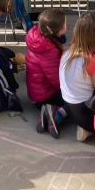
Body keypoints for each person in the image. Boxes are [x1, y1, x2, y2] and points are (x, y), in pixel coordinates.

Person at [59, 12, 95, 143]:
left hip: (69, 107)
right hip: (86, 115)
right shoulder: (93, 62)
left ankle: (84, 129)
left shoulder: (68, 52)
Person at [25, 9, 68, 139]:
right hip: (44, 97)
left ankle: (48, 112)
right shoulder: (49, 50)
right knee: (77, 100)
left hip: (36, 93)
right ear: (58, 30)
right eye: (65, 24)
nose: (67, 25)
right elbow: (56, 81)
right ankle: (54, 112)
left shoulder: (38, 37)